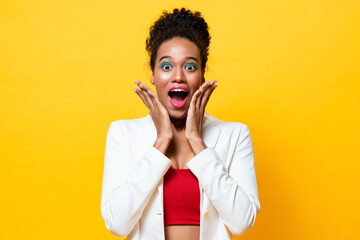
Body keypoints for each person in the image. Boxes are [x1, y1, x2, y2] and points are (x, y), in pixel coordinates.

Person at [100, 8, 260, 240]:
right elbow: (117, 223)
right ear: (153, 75)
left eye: (190, 66)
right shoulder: (123, 133)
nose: (178, 76)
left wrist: (197, 142)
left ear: (202, 75)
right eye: (166, 66)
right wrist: (161, 142)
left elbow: (242, 223)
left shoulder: (234, 134)